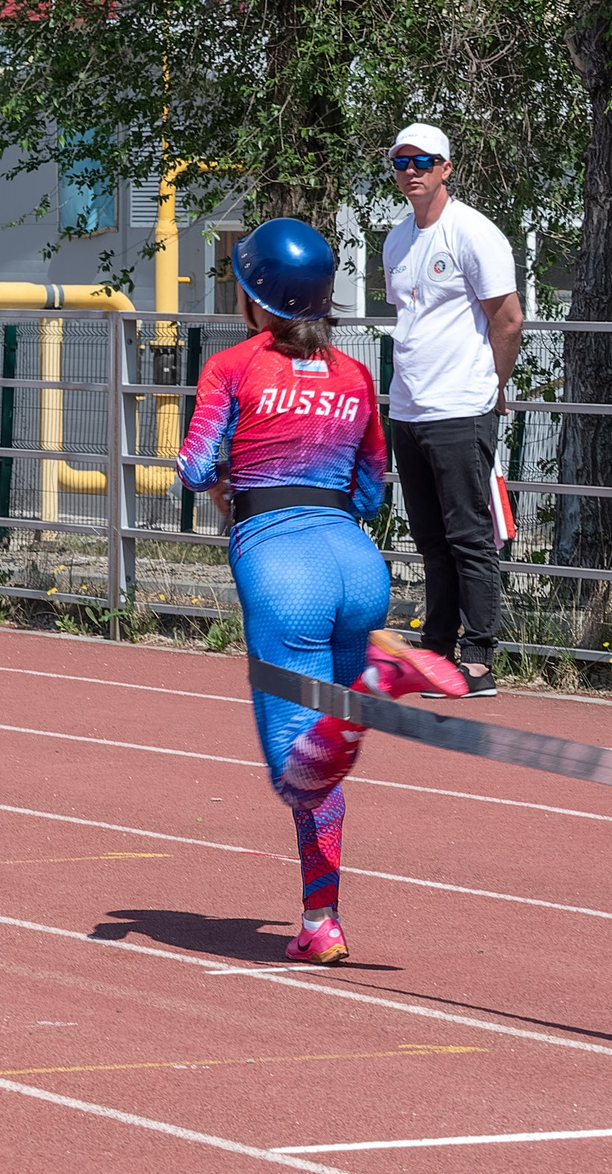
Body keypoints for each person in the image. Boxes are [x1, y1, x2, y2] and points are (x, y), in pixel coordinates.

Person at [179, 218, 469, 964]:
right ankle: (320, 921)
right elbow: (371, 491)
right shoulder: (354, 375)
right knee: (323, 763)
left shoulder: (232, 367)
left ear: (252, 299)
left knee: (295, 769)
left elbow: (192, 462)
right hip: (356, 563)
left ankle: (384, 678)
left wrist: (225, 484)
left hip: (283, 569)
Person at [381, 122, 521, 696]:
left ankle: (480, 659)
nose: (410, 170)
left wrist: (493, 386)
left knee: (469, 535)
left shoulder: (473, 233)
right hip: (409, 410)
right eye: (400, 161)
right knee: (429, 537)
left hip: (461, 406)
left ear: (446, 168)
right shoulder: (395, 239)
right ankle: (436, 649)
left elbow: (507, 319)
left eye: (422, 160)